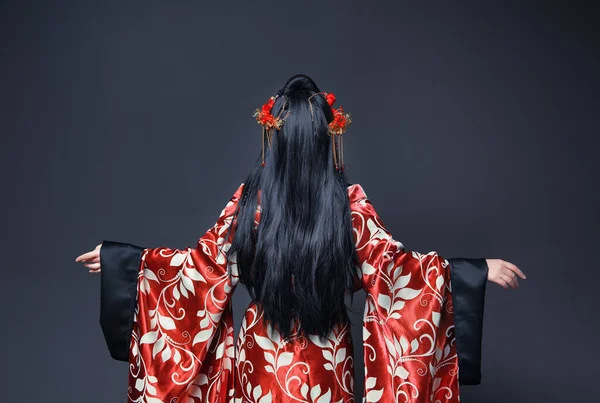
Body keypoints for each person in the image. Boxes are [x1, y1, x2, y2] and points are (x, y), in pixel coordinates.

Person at [76, 74, 526, 403]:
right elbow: (398, 272)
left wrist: (128, 264)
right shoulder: (348, 206)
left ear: (276, 139)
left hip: (259, 356)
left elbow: (201, 268)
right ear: (325, 140)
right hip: (326, 359)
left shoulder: (250, 202)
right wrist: (472, 271)